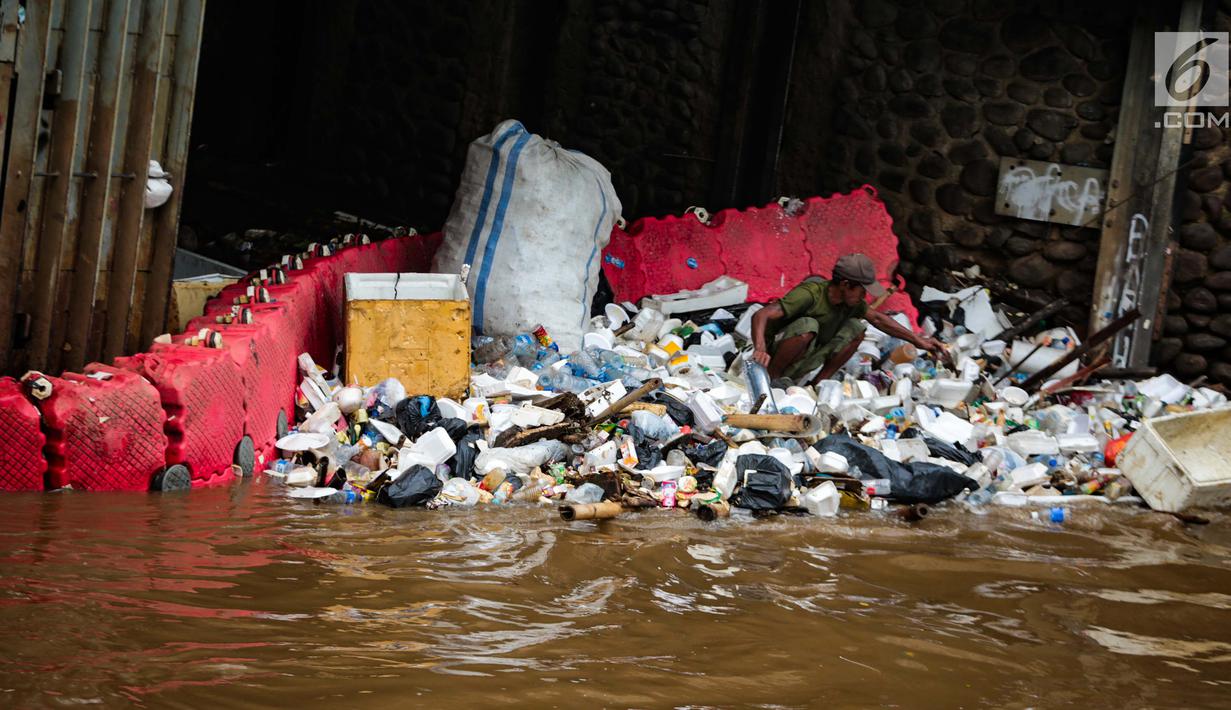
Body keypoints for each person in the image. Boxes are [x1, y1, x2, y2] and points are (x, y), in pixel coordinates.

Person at [749, 253, 942, 385]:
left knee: (856, 329)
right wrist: (760, 348)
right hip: (774, 357)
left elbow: (878, 319)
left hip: (806, 359)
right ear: (845, 284)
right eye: (861, 291)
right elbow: (761, 315)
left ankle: (817, 385)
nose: (864, 297)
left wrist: (919, 340)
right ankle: (771, 379)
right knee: (809, 325)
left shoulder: (851, 303)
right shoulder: (810, 294)